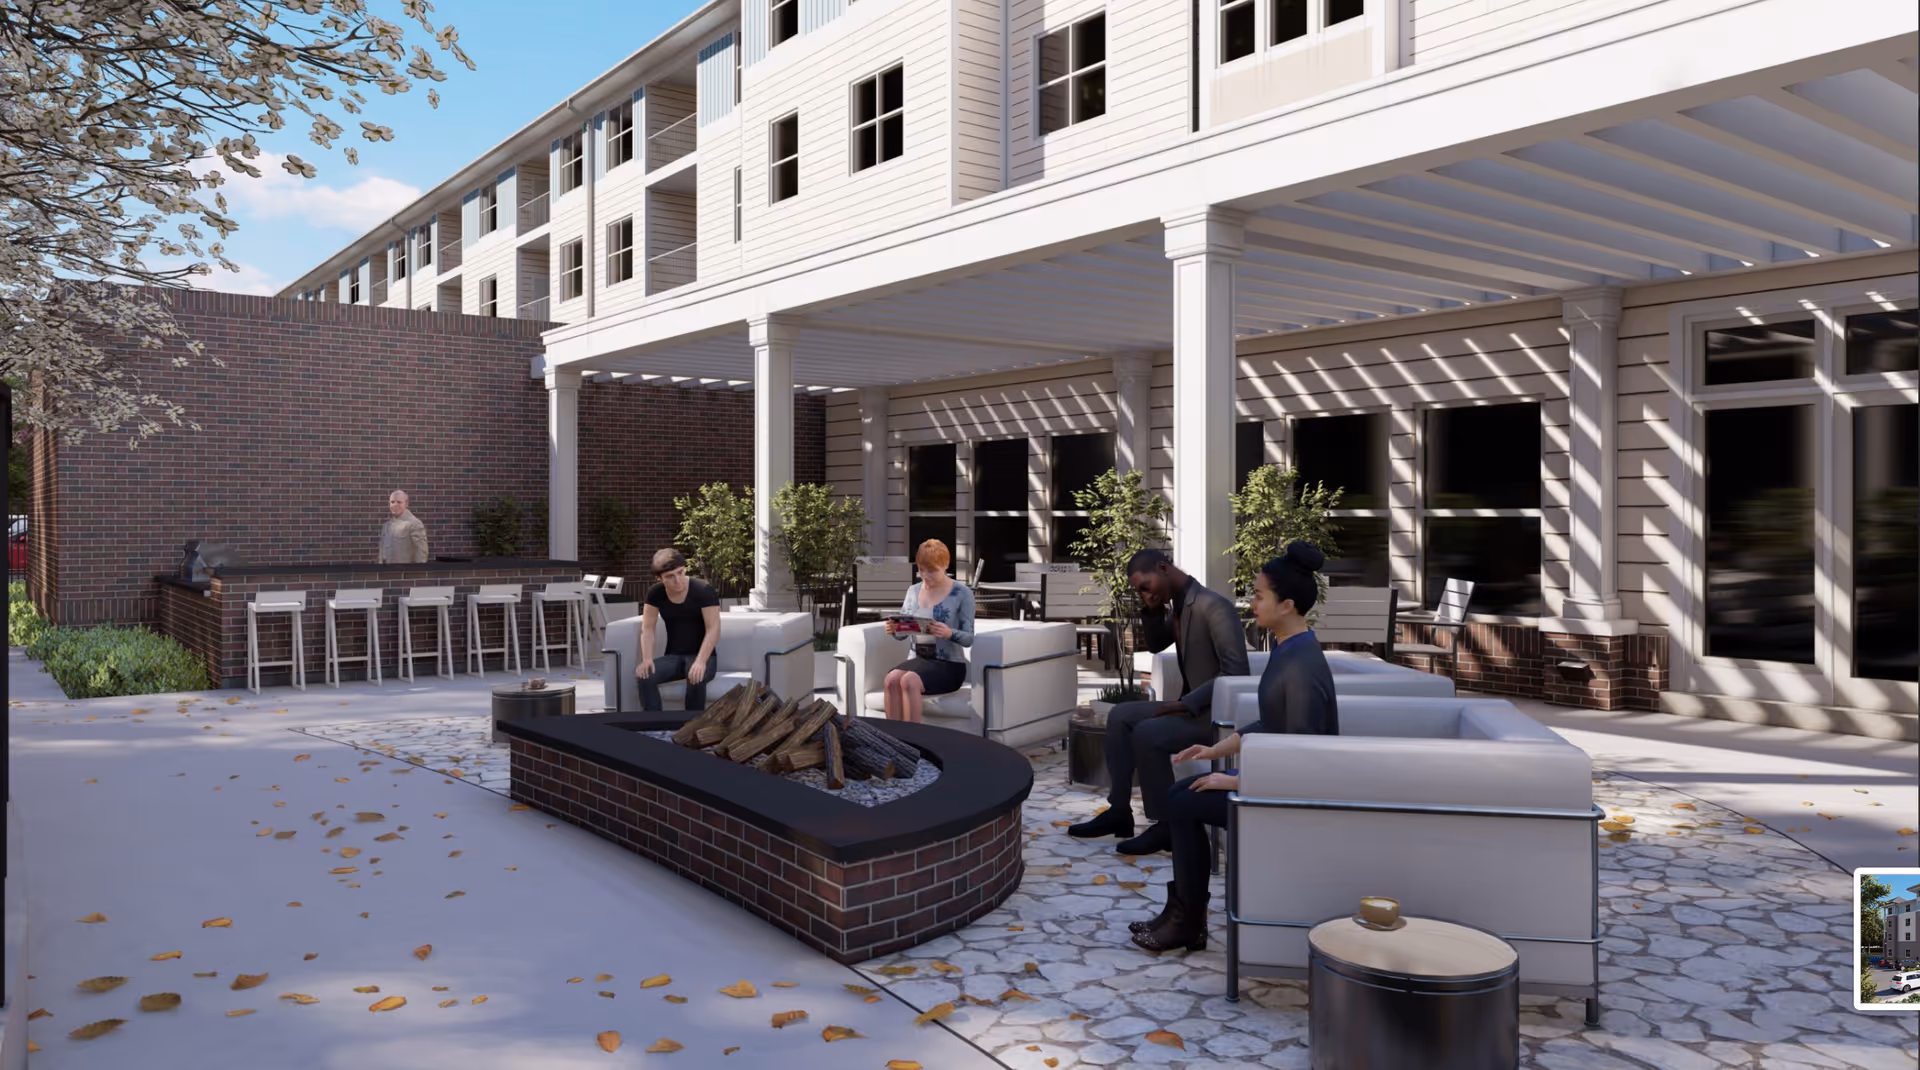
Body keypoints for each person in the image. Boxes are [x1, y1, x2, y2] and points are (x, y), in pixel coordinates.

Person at [1129, 543, 1339, 953]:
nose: (1252, 603)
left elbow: (1302, 753)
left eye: (1260, 596)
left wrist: (1236, 778)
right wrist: (1215, 750)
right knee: (1182, 796)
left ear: (1288, 604)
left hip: (1291, 797)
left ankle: (1186, 920)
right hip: (1275, 778)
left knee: (1184, 800)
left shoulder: (1301, 667)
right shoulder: (1286, 649)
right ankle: (1183, 914)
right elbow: (1273, 724)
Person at [1068, 549, 1248, 855]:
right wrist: (1151, 611)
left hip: (1214, 717)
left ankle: (1167, 825)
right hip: (1191, 708)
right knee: (1121, 714)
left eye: (1144, 586)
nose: (1142, 593)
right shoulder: (1179, 604)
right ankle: (1119, 811)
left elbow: (1236, 672)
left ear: (1163, 568)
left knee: (1148, 733)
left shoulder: (1213, 606)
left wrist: (1185, 703)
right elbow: (1155, 644)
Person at [882, 539, 974, 724]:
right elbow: (902, 634)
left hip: (949, 664)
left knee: (909, 681)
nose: (925, 576)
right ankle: (893, 741)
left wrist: (949, 633)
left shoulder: (962, 593)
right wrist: (894, 629)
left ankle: (915, 743)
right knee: (891, 679)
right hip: (919, 660)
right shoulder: (913, 591)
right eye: (921, 570)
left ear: (945, 565)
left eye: (931, 570)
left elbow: (969, 638)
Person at [636, 548, 722, 711]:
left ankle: (691, 725)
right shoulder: (655, 594)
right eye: (670, 576)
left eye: (680, 572)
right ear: (659, 578)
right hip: (674, 657)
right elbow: (647, 629)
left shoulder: (703, 590)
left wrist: (701, 662)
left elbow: (714, 629)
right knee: (645, 676)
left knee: (695, 676)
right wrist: (647, 658)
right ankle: (654, 725)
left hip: (704, 657)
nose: (678, 580)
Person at [378, 490, 430, 564]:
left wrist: (417, 572)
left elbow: (422, 552)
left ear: (406, 504)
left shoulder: (414, 523)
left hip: (406, 573)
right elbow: (381, 553)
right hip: (387, 572)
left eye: (399, 502)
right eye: (392, 502)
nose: (395, 505)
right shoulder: (387, 526)